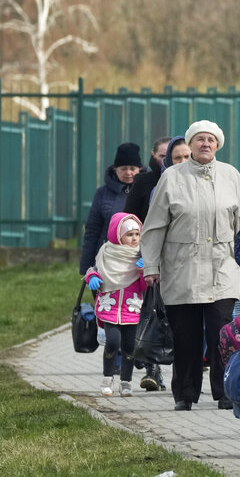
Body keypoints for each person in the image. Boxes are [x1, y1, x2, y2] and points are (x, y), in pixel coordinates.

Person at [141, 121, 240, 412]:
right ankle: (185, 393)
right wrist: (151, 265)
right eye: (199, 139)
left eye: (210, 140)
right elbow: (154, 227)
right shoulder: (172, 178)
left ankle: (225, 391)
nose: (205, 144)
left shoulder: (230, 176)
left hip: (222, 268)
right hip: (182, 268)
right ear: (190, 144)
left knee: (222, 332)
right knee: (185, 335)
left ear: (218, 145)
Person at [122, 135, 171, 392]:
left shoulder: (185, 180)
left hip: (176, 257)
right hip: (146, 257)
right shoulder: (144, 182)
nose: (167, 161)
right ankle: (153, 367)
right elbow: (129, 218)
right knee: (152, 311)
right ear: (153, 157)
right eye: (162, 156)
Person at [83, 212, 147, 397]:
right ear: (118, 235)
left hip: (131, 308)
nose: (134, 238)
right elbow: (94, 270)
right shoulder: (107, 253)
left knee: (129, 347)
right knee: (112, 342)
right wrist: (92, 278)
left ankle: (126, 382)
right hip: (109, 307)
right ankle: (107, 378)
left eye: (137, 234)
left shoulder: (140, 256)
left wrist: (143, 271)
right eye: (129, 234)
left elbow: (145, 287)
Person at [79, 142, 143, 276]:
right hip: (108, 261)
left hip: (139, 259)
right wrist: (87, 266)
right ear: (115, 169)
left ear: (140, 169)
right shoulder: (102, 193)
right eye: (123, 168)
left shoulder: (148, 190)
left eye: (132, 168)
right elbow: (93, 230)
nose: (128, 173)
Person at [123, 136, 170, 223]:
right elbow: (130, 216)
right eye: (162, 156)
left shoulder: (187, 180)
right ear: (153, 154)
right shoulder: (142, 181)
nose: (166, 160)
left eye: (169, 156)